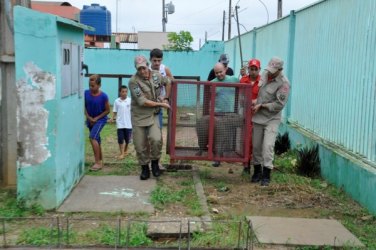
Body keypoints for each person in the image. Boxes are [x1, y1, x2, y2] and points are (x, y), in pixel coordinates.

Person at [129, 55, 171, 180]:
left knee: (156, 139)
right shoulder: (133, 81)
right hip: (139, 116)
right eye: (139, 69)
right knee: (140, 144)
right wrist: (161, 104)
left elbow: (168, 82)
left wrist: (166, 97)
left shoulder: (156, 75)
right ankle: (144, 168)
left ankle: (155, 164)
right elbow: (143, 101)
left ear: (147, 65)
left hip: (153, 115)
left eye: (143, 68)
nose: (142, 71)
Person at [252, 57, 290, 186]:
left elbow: (279, 105)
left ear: (280, 70)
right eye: (269, 69)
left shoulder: (284, 84)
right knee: (256, 146)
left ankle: (266, 174)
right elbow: (259, 91)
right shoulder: (265, 74)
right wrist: (255, 102)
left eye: (274, 71)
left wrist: (262, 105)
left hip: (272, 118)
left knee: (267, 146)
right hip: (258, 116)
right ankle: (257, 171)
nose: (270, 72)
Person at [196, 62, 241, 168]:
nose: (219, 74)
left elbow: (243, 85)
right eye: (216, 73)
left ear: (225, 69)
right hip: (217, 113)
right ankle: (212, 154)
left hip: (230, 113)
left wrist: (243, 74)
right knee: (216, 134)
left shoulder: (233, 79)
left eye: (221, 72)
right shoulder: (212, 83)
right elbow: (208, 98)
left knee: (224, 136)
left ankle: (221, 156)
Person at [240, 59, 261, 174]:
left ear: (259, 70)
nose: (253, 72)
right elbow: (239, 94)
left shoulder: (262, 81)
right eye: (251, 69)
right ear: (248, 69)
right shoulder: (243, 80)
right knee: (246, 140)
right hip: (246, 115)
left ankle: (257, 164)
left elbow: (265, 96)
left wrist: (256, 101)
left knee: (256, 141)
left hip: (258, 115)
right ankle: (246, 164)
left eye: (255, 69)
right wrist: (243, 100)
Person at [84, 74, 110, 171]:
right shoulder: (85, 93)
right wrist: (89, 117)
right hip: (90, 119)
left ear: (99, 85)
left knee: (93, 137)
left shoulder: (103, 96)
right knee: (97, 140)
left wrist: (96, 118)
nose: (91, 88)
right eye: (89, 85)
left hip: (100, 120)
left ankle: (97, 162)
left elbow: (107, 110)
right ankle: (101, 160)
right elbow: (84, 107)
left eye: (93, 86)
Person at [149, 48, 174, 129]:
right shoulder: (146, 70)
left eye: (159, 60)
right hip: (149, 101)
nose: (157, 63)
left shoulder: (165, 69)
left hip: (161, 101)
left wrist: (167, 98)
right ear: (150, 60)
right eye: (154, 60)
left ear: (162, 59)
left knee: (158, 127)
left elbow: (172, 82)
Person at [110, 85, 132, 160]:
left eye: (126, 91)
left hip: (129, 124)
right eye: (123, 92)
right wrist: (112, 118)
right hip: (120, 123)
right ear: (120, 92)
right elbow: (114, 111)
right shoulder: (117, 101)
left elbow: (134, 111)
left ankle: (125, 150)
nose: (124, 93)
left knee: (128, 139)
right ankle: (122, 153)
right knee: (120, 139)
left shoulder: (130, 100)